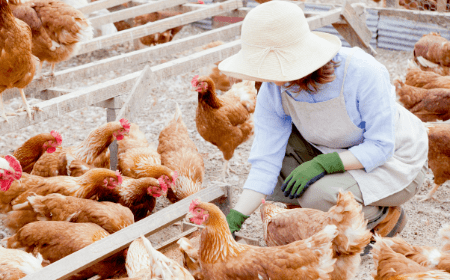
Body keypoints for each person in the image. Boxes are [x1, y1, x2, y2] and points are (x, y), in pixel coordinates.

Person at [217, 0, 428, 241]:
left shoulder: (363, 72)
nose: (271, 78)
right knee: (278, 165)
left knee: (317, 196)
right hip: (335, 148)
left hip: (394, 160)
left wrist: (324, 164)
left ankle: (381, 217)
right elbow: (265, 162)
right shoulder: (273, 90)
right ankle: (314, 219)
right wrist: (235, 217)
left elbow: (381, 146)